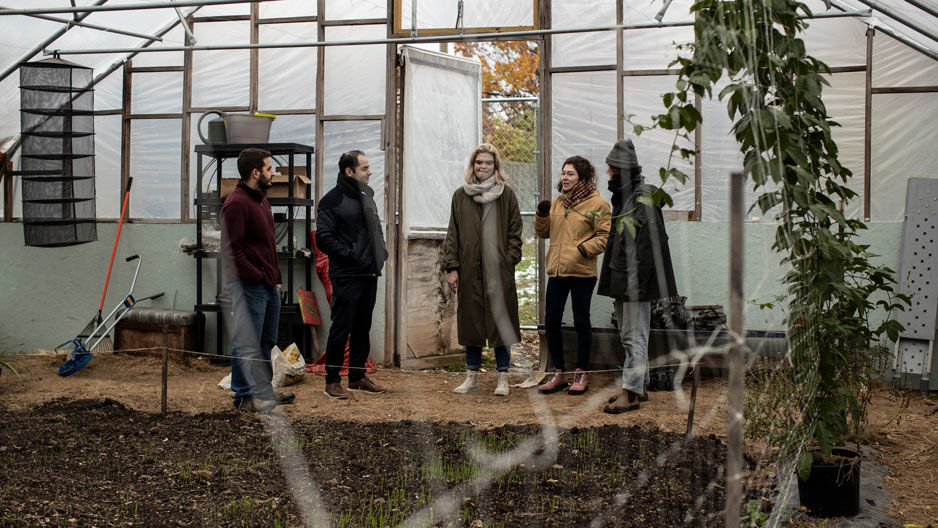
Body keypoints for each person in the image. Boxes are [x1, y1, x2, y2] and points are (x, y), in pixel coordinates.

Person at [598, 139, 679, 414]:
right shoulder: (628, 195)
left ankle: (631, 394)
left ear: (619, 170)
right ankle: (639, 386)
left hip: (633, 281)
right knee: (630, 334)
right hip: (626, 278)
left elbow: (645, 248)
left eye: (610, 169)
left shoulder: (641, 197)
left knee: (634, 336)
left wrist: (634, 283)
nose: (607, 174)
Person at [441, 143, 523, 396]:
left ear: (495, 166)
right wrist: (452, 267)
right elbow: (452, 234)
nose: (483, 166)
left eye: (488, 162)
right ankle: (472, 376)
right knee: (471, 322)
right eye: (479, 162)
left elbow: (515, 233)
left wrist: (507, 260)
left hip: (499, 271)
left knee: (501, 322)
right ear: (472, 166)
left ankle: (503, 377)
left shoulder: (506, 195)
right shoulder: (460, 196)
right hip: (469, 270)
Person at [220, 147, 296, 413]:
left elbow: (266, 246)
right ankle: (243, 396)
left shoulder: (261, 201)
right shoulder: (237, 203)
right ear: (255, 173)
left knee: (265, 340)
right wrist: (256, 276)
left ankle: (262, 392)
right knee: (246, 341)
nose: (273, 172)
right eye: (268, 168)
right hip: (249, 285)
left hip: (266, 285)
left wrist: (274, 279)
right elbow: (231, 250)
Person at [534, 155, 611, 395]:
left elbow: (605, 237)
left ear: (583, 178)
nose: (564, 178)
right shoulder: (558, 203)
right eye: (563, 173)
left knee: (581, 322)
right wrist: (542, 214)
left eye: (570, 174)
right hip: (557, 270)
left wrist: (583, 250)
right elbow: (544, 233)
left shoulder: (598, 205)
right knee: (552, 322)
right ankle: (558, 373)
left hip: (581, 271)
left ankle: (581, 372)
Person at [316, 150, 389, 399]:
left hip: (368, 273)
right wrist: (352, 254)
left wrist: (381, 253)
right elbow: (324, 238)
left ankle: (356, 377)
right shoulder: (331, 201)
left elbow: (375, 229)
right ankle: (332, 381)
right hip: (346, 274)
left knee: (362, 326)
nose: (370, 172)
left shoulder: (366, 196)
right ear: (349, 171)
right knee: (342, 327)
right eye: (364, 168)